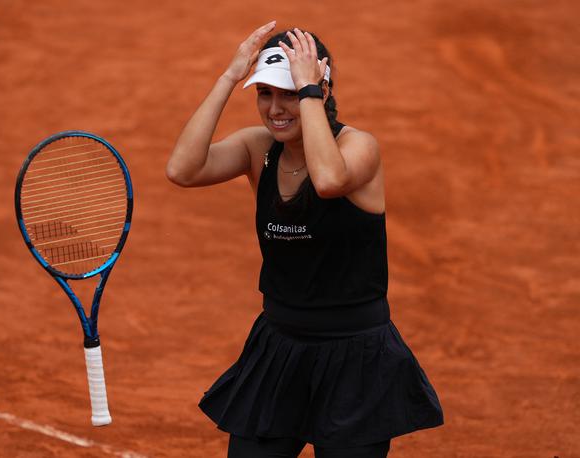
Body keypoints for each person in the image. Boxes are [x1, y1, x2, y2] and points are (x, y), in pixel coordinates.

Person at [166, 21, 444, 458]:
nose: (276, 108)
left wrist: (311, 88)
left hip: (355, 359)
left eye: (290, 93)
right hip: (279, 351)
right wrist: (229, 77)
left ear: (321, 91)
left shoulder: (360, 148)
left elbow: (330, 179)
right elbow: (182, 170)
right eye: (265, 93)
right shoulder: (259, 149)